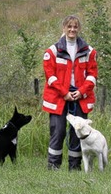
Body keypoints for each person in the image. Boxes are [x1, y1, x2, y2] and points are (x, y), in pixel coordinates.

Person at [42, 15, 98, 171]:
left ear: (79, 29)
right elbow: (50, 76)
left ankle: (74, 167)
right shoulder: (52, 51)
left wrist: (80, 92)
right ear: (64, 28)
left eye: (75, 27)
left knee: (78, 132)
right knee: (58, 131)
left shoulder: (89, 51)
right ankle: (53, 166)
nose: (72, 29)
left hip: (80, 97)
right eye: (69, 26)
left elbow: (92, 75)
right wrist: (64, 92)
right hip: (59, 98)